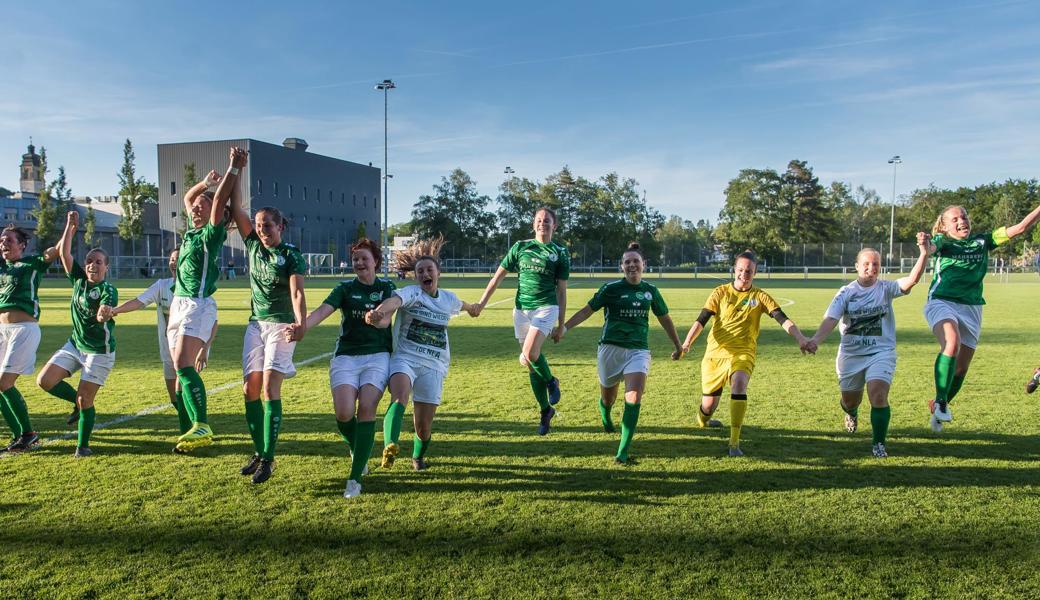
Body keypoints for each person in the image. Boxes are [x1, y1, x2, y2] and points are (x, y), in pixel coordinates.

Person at [559, 242, 683, 464]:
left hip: (638, 351)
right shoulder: (610, 289)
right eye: (627, 262)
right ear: (621, 267)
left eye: (636, 261)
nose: (632, 265)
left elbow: (665, 319)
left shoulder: (651, 292)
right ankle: (606, 414)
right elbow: (588, 310)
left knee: (634, 397)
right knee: (609, 398)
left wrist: (678, 345)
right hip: (610, 349)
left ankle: (622, 452)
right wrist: (564, 327)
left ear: (644, 264)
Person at [681, 250, 813, 457]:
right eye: (741, 270)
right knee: (708, 405)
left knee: (740, 382)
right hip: (715, 354)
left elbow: (783, 319)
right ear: (734, 270)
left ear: (755, 272)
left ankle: (734, 443)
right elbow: (702, 320)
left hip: (743, 352)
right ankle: (703, 418)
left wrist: (801, 339)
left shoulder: (760, 296)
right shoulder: (720, 292)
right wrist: (687, 342)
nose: (744, 274)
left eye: (749, 271)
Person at [807, 238, 929, 458]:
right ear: (857, 266)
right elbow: (831, 319)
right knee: (850, 400)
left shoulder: (885, 288)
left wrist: (923, 254)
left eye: (875, 265)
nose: (871, 269)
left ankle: (878, 444)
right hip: (851, 355)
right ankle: (851, 412)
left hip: (881, 353)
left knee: (878, 395)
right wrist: (816, 340)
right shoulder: (846, 293)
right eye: (866, 264)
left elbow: (911, 280)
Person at [291, 238, 394, 499]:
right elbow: (323, 311)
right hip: (346, 356)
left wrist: (378, 318)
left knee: (368, 407)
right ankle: (356, 447)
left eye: (364, 258)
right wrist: (302, 327)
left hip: (377, 356)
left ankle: (355, 479)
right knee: (345, 413)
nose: (359, 263)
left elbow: (387, 321)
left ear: (376, 262)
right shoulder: (344, 288)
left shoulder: (387, 287)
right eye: (356, 259)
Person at [364, 237, 479, 471]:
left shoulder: (448, 299)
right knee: (399, 397)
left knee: (423, 427)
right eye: (420, 271)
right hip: (404, 359)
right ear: (415, 276)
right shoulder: (413, 293)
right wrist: (378, 312)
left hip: (434, 365)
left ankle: (418, 458)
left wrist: (473, 309)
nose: (425, 273)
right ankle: (390, 445)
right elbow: (394, 301)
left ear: (438, 273)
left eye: (429, 269)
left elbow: (465, 306)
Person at [924, 202, 1040, 432]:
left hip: (972, 308)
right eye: (955, 219)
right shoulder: (943, 241)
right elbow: (930, 248)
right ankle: (941, 401)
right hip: (942, 301)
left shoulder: (983, 240)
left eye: (964, 217)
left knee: (961, 369)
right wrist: (924, 243)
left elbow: (1020, 228)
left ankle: (939, 405)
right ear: (945, 227)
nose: (961, 221)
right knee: (951, 343)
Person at [167, 146, 245, 452]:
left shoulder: (211, 234)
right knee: (178, 375)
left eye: (203, 206)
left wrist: (232, 170)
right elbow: (188, 198)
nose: (196, 208)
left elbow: (218, 203)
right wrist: (204, 184)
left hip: (197, 305)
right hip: (179, 305)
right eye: (197, 206)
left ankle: (202, 424)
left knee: (182, 365)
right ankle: (188, 432)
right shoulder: (191, 231)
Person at [228, 191, 307, 485]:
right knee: (250, 389)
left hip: (282, 326)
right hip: (256, 325)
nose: (262, 230)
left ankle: (268, 459)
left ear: (280, 227)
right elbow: (235, 208)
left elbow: (297, 292)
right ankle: (259, 452)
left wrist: (301, 323)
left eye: (267, 225)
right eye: (259, 225)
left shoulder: (291, 256)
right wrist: (236, 169)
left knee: (270, 390)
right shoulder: (253, 246)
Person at [473, 207, 569, 435]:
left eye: (547, 221)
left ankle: (552, 381)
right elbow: (498, 277)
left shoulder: (560, 253)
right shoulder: (520, 247)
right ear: (533, 224)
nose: (542, 223)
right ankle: (546, 410)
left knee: (531, 353)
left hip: (546, 308)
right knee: (529, 364)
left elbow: (562, 292)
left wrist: (561, 325)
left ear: (554, 226)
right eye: (538, 220)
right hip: (521, 311)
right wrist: (481, 303)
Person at [102, 249, 217, 437]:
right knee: (174, 397)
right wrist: (114, 311)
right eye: (172, 260)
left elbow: (214, 321)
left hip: (191, 349)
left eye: (179, 260)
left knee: (182, 385)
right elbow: (139, 302)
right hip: (168, 348)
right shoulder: (162, 286)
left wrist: (204, 349)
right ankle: (191, 428)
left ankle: (196, 428)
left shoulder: (197, 289)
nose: (174, 263)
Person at [36, 211, 117, 457]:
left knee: (85, 400)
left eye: (98, 262)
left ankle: (82, 446)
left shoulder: (108, 289)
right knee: (45, 381)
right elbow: (64, 254)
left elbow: (106, 309)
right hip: (75, 344)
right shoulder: (79, 280)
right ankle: (74, 403)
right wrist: (70, 227)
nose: (92, 264)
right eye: (90, 260)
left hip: (98, 351)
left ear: (106, 267)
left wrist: (104, 313)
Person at [0, 227, 57, 452]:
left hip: (24, 329)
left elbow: (55, 251)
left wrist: (70, 229)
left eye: (9, 240)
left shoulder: (33, 262)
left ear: (22, 244)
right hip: (2, 330)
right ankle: (18, 436)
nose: (4, 243)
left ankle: (28, 434)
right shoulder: (2, 268)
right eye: (1, 240)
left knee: (5, 383)